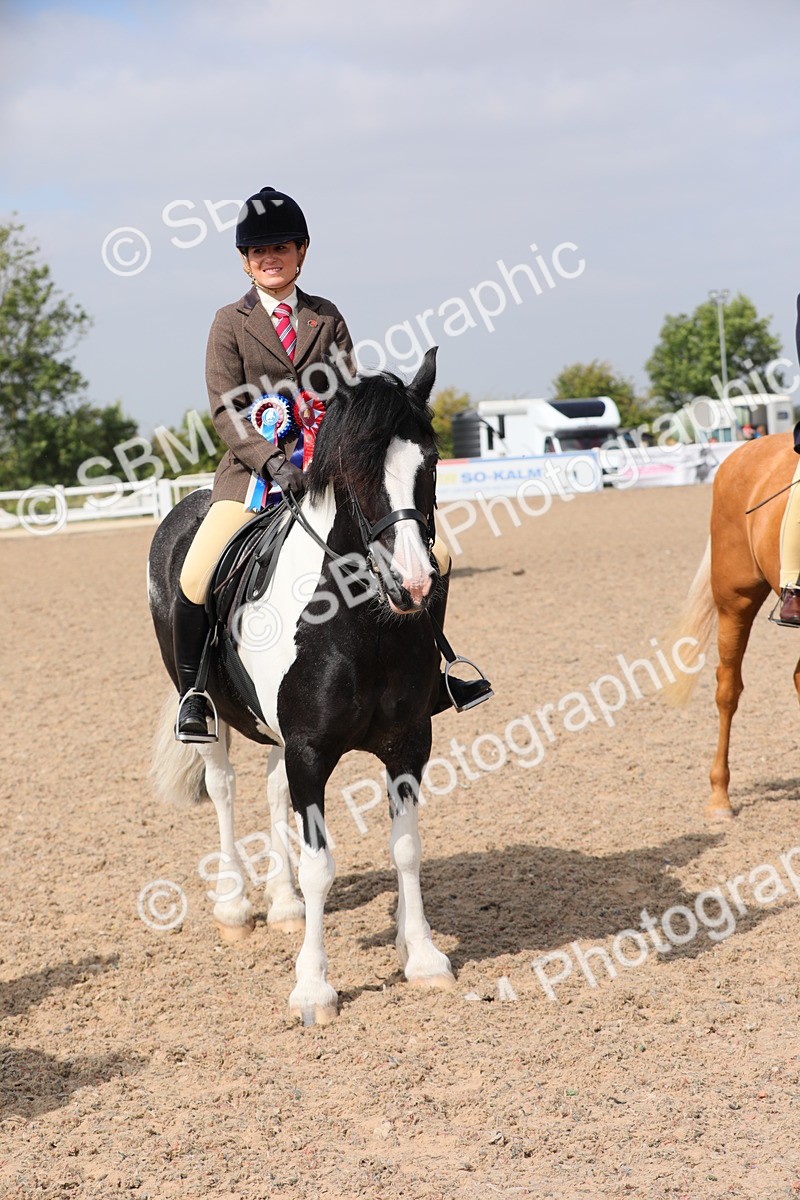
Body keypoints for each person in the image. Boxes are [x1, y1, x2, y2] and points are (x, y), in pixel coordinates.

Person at [173, 186, 491, 741]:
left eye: (282, 248)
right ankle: (195, 694)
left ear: (301, 252)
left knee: (435, 555)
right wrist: (273, 463)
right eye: (259, 251)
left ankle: (433, 673)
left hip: (327, 473)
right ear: (245, 262)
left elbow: (347, 400)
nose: (270, 259)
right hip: (252, 479)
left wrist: (337, 461)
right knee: (195, 575)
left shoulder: (326, 316)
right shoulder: (229, 322)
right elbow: (226, 409)